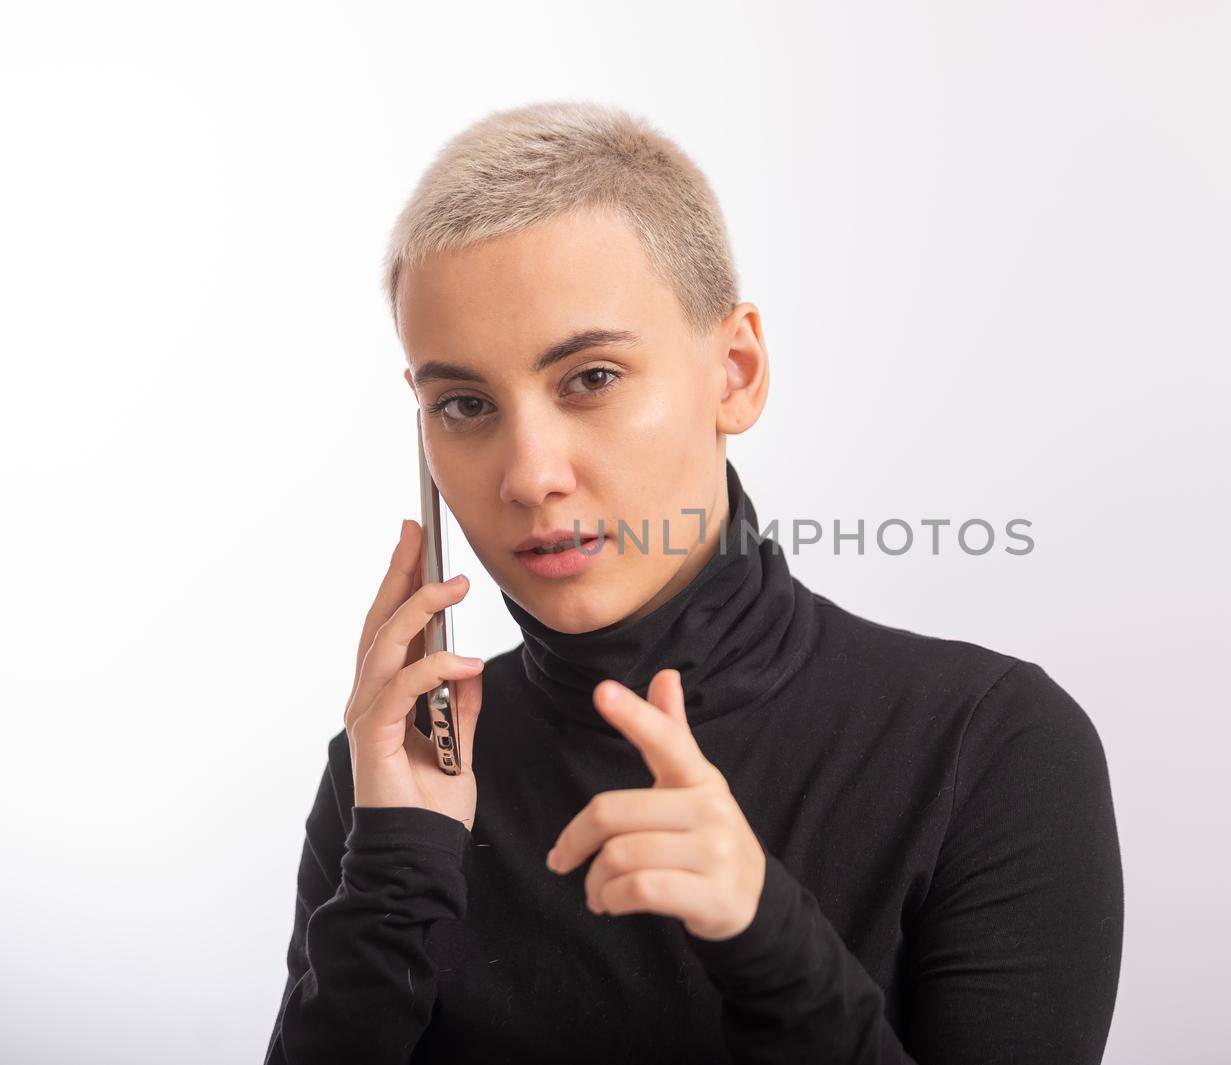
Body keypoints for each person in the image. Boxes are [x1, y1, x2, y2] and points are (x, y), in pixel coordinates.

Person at [264, 100, 1123, 1064]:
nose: (528, 473)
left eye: (589, 378)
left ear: (736, 371)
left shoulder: (991, 745)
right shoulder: (395, 779)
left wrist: (770, 941)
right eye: (462, 404)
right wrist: (393, 879)